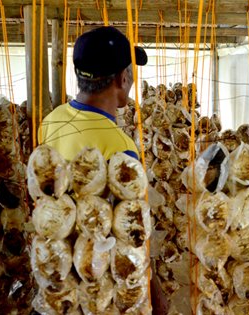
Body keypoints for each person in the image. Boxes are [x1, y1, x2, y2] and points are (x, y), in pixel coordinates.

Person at [38, 26, 168, 314]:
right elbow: (132, 231)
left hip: (59, 276)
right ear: (122, 79)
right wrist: (153, 290)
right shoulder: (120, 147)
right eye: (130, 73)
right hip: (98, 287)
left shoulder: (51, 121)